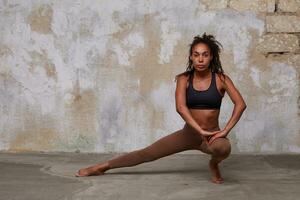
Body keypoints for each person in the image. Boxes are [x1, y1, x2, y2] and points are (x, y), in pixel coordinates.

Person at [75, 33, 247, 184]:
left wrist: (224, 131)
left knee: (223, 148)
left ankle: (214, 163)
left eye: (205, 55)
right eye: (196, 55)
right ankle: (102, 167)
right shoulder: (183, 79)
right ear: (191, 57)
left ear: (211, 57)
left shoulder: (221, 79)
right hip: (189, 134)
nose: (200, 59)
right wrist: (199, 130)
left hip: (212, 136)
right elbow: (181, 107)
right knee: (146, 154)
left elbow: (240, 104)